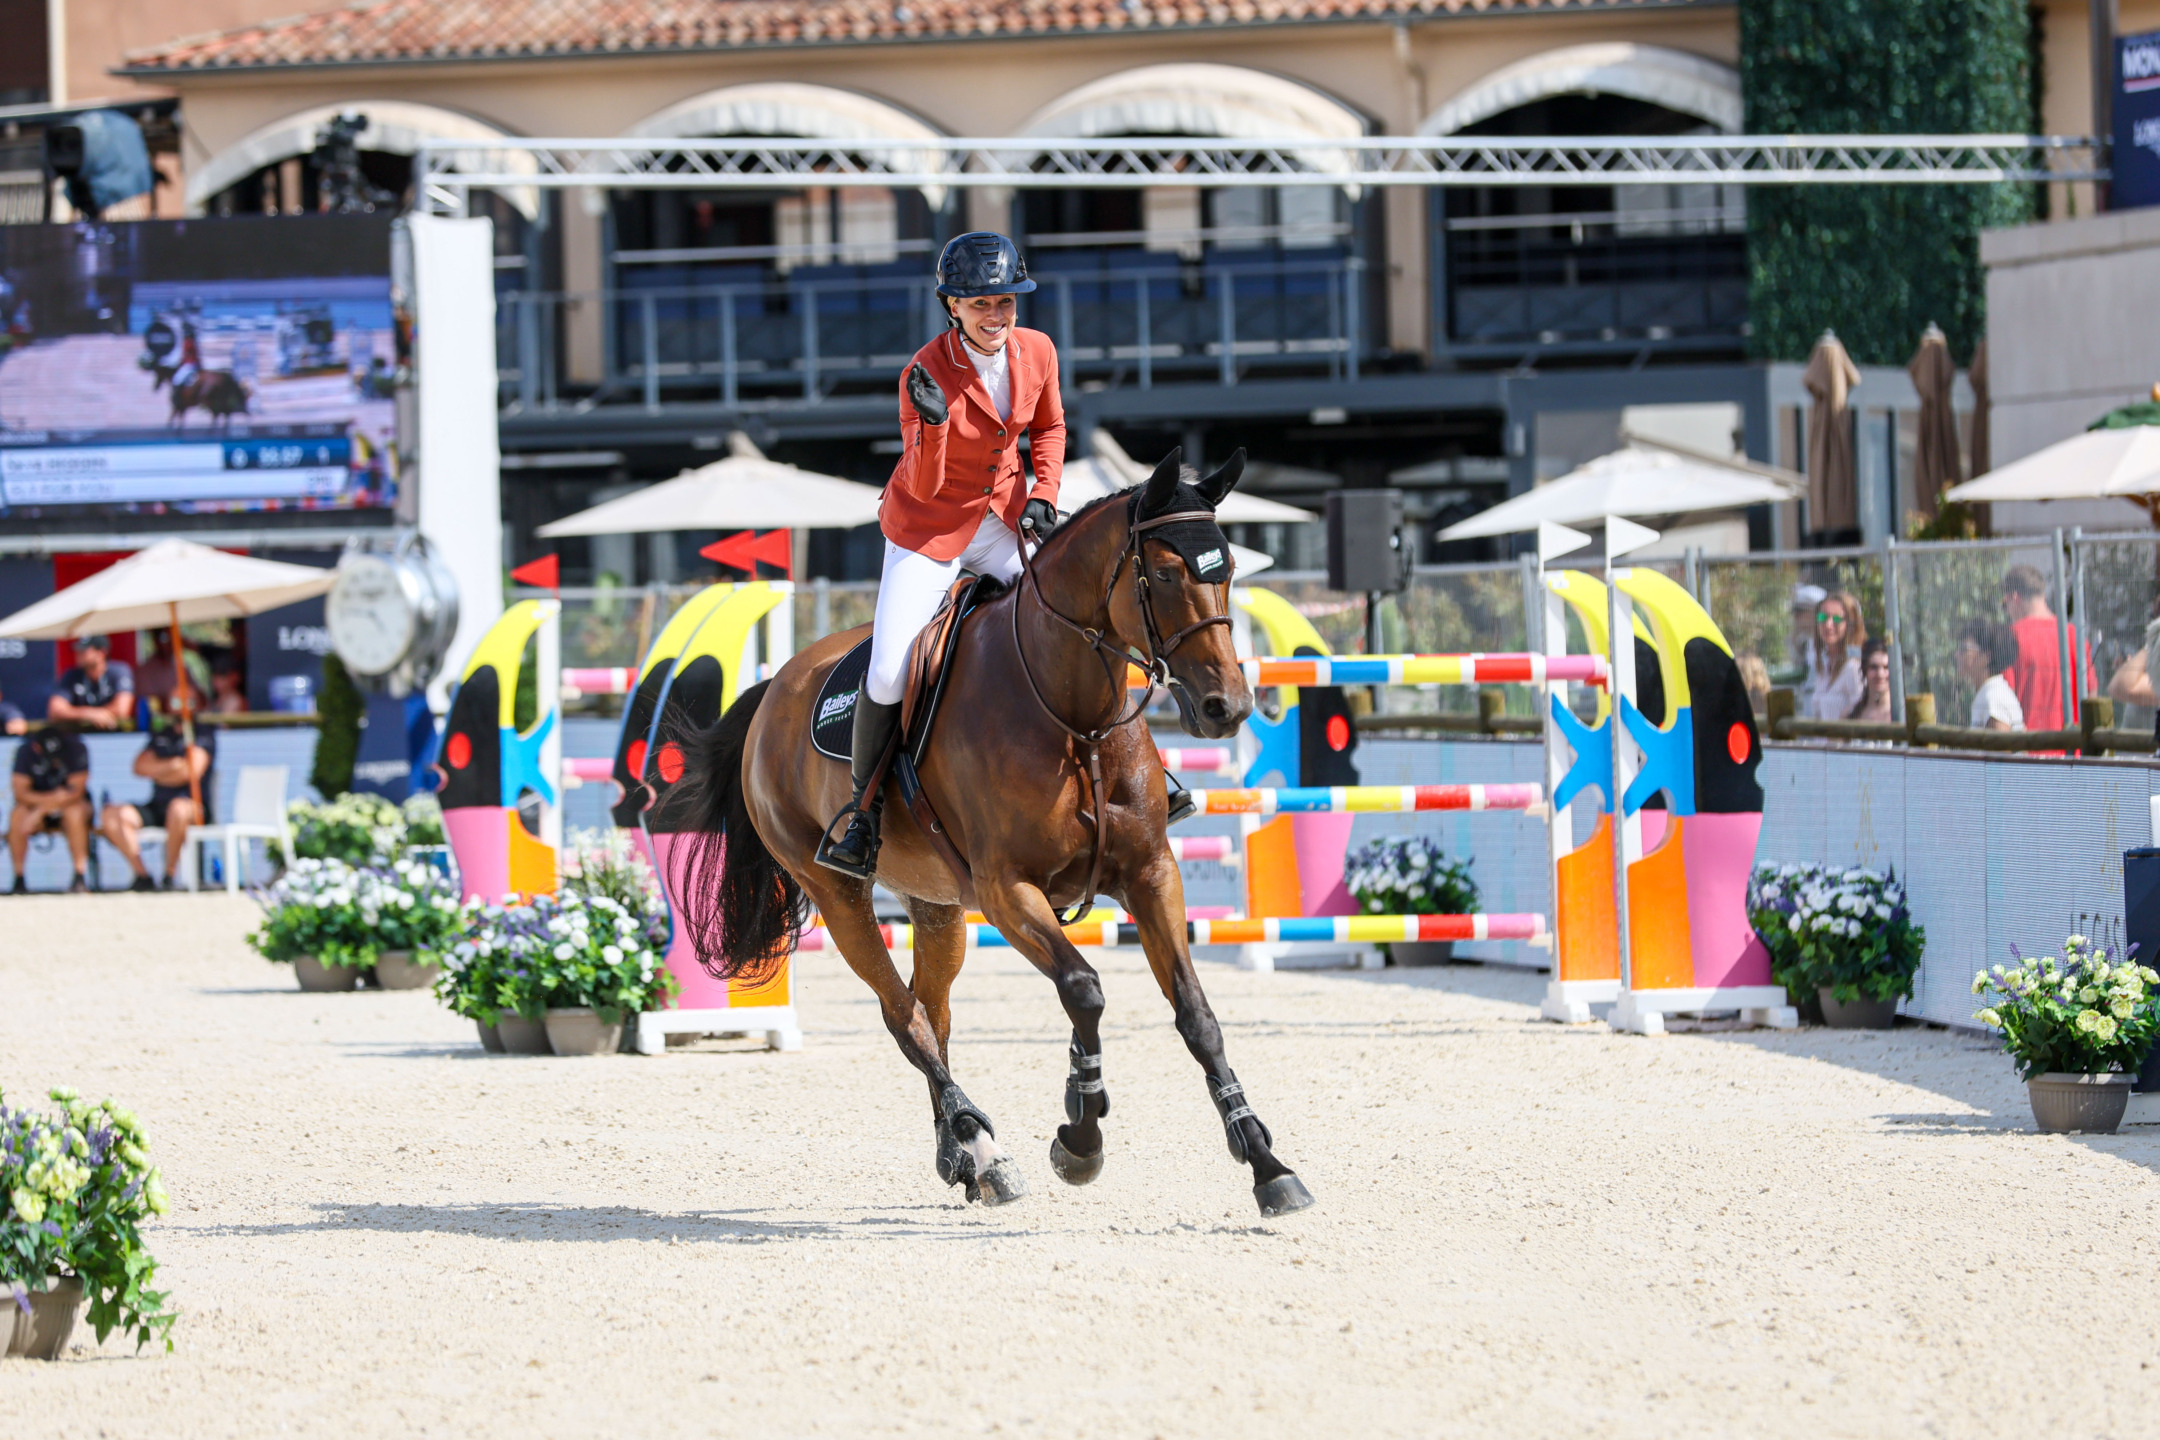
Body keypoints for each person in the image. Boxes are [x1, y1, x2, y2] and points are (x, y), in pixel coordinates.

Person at [816, 231, 1077, 878]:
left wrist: (1045, 491)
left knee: (1069, 621)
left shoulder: (1038, 350)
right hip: (927, 529)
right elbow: (927, 484)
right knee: (886, 673)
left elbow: (1048, 427)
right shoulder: (921, 373)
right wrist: (932, 428)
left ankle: (1133, 766)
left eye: (1007, 302)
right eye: (982, 304)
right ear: (952, 306)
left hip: (1001, 517)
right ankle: (863, 815)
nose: (997, 316)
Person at [100, 716, 213, 892]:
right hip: (157, 806)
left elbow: (191, 772)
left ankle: (169, 875)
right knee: (113, 814)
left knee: (178, 809)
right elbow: (139, 767)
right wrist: (174, 766)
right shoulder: (162, 735)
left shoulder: (202, 733)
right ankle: (142, 875)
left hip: (192, 807)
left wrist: (159, 772)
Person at [2000, 563, 2087, 731]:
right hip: (2072, 748)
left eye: (2005, 605)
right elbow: (2091, 692)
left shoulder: (2010, 637)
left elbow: (2002, 700)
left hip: (2028, 750)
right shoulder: (2073, 635)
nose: (2008, 612)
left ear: (2014, 597)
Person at [8, 724, 93, 893]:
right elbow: (21, 793)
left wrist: (40, 811)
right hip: (35, 807)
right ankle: (19, 879)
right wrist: (45, 805)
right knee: (18, 815)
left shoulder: (76, 748)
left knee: (74, 812)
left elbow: (75, 792)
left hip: (66, 807)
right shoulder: (25, 751)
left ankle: (79, 876)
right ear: (36, 747)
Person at [48, 635, 134, 732]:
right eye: (78, 650)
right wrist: (89, 714)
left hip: (114, 736)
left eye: (84, 650)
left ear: (102, 652)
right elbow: (55, 711)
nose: (78, 653)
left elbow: (122, 710)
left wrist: (77, 713)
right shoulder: (71, 675)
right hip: (81, 737)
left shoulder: (119, 671)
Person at [1802, 590, 1865, 721]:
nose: (1828, 625)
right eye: (1822, 618)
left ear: (1851, 624)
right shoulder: (1821, 665)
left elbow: (1862, 714)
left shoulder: (1854, 667)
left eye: (1836, 618)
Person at [1956, 619, 2024, 731]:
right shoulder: (1990, 693)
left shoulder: (1993, 698)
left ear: (1987, 657)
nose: (1957, 654)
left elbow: (2000, 746)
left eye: (1964, 649)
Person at [1846, 638, 1895, 723]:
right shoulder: (1849, 715)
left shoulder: (1904, 715)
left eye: (1886, 667)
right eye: (1873, 667)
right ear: (1865, 670)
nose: (1880, 674)